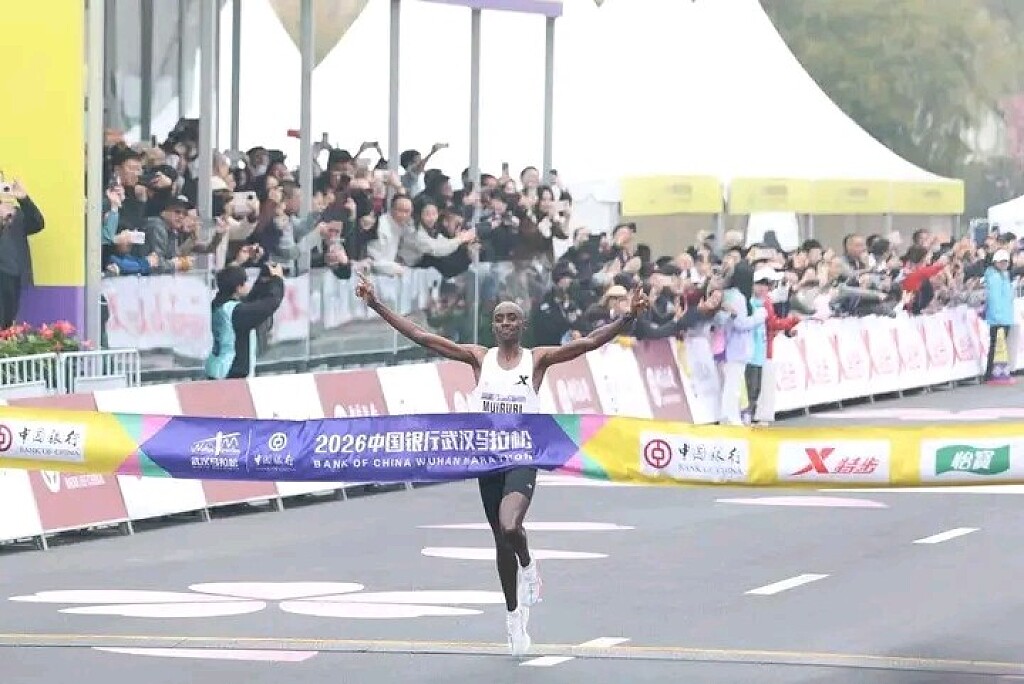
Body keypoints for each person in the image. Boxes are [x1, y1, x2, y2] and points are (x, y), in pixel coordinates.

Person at [355, 271, 649, 656]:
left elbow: (589, 342)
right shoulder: (480, 359)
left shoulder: (537, 359)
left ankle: (528, 565)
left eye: (512, 318)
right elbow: (423, 337)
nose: (506, 323)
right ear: (493, 327)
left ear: (522, 325)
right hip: (488, 457)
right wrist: (376, 304)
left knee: (511, 525)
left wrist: (628, 317)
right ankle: (514, 617)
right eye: (499, 319)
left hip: (524, 455)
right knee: (500, 538)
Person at [204, 262, 285, 380]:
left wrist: (263, 279)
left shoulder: (221, 304)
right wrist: (277, 280)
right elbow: (269, 304)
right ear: (238, 288)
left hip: (218, 368)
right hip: (231, 372)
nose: (248, 285)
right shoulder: (236, 312)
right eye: (245, 282)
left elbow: (250, 302)